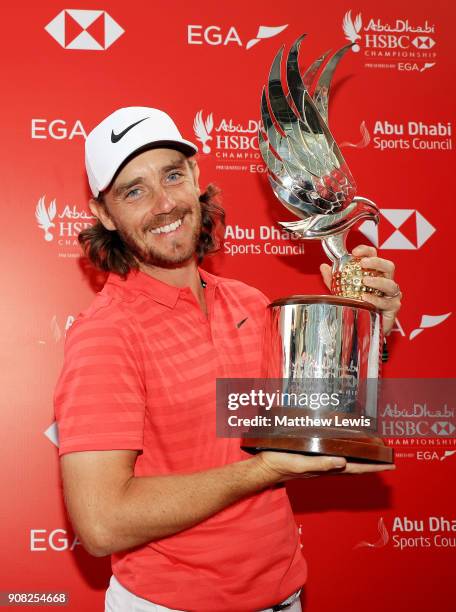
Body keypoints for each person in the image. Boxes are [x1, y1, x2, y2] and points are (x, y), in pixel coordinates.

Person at [54, 107, 401, 612]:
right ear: (104, 214)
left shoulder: (247, 302)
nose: (164, 203)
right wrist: (262, 472)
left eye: (173, 175)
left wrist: (366, 329)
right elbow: (102, 523)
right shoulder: (105, 336)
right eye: (134, 190)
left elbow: (317, 419)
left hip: (284, 596)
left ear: (196, 177)